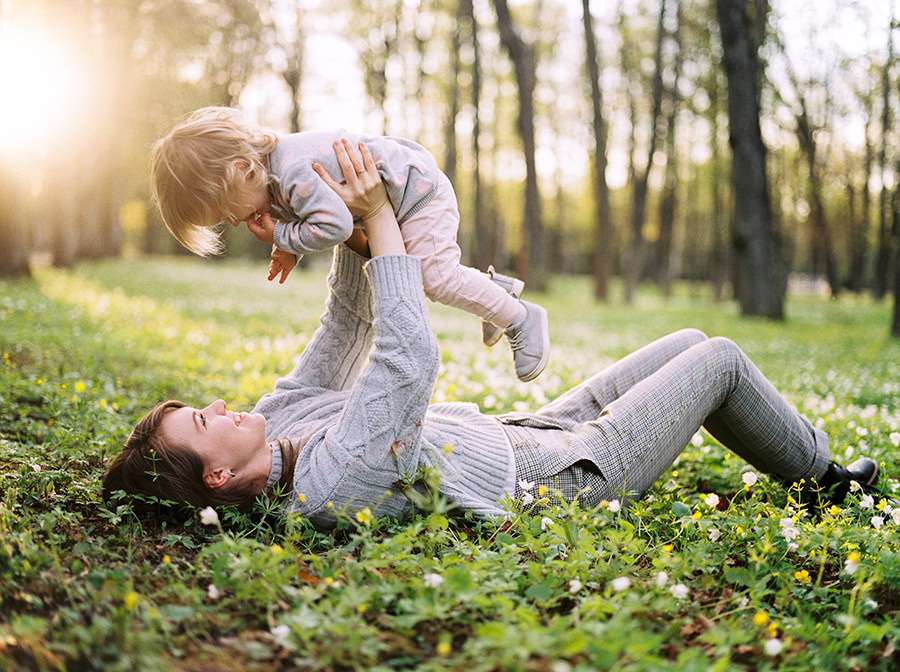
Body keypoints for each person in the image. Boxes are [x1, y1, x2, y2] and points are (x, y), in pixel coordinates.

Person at [104, 141, 881, 529]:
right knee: (719, 361)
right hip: (571, 478)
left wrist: (348, 220)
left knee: (683, 337)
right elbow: (407, 365)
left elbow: (346, 326)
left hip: (526, 434)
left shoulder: (279, 421)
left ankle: (807, 461)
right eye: (204, 422)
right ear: (214, 478)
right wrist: (377, 218)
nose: (219, 405)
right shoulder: (330, 483)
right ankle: (827, 481)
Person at [149, 106, 548, 382]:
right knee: (424, 272)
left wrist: (282, 235)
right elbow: (318, 214)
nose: (234, 222)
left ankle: (520, 317)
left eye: (224, 212)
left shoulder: (292, 172)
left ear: (240, 170)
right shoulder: (277, 172)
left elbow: (336, 225)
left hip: (416, 193)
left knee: (433, 278)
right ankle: (495, 293)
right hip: (406, 191)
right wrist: (288, 245)